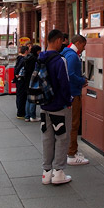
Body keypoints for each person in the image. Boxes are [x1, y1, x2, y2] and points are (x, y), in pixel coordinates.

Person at [40, 29, 73, 185]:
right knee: (62, 137)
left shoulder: (40, 58)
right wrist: (69, 101)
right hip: (59, 105)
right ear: (59, 40)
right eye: (62, 41)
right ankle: (58, 172)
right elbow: (64, 84)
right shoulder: (60, 60)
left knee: (47, 138)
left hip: (44, 105)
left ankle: (46, 172)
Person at [61, 34, 89, 166]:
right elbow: (70, 74)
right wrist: (82, 80)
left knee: (70, 123)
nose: (84, 49)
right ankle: (71, 154)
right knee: (74, 124)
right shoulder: (72, 56)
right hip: (73, 93)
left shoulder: (66, 53)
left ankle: (71, 151)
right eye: (83, 45)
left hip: (69, 93)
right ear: (78, 43)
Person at [23, 44, 40, 122]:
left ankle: (27, 116)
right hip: (33, 80)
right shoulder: (35, 59)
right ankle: (32, 115)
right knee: (33, 98)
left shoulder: (28, 57)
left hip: (26, 80)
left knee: (28, 98)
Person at [14, 45, 29, 119]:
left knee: (19, 95)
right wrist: (16, 73)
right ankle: (21, 112)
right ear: (26, 51)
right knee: (22, 96)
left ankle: (20, 111)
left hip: (19, 79)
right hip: (21, 79)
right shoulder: (23, 59)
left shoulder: (19, 58)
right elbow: (18, 68)